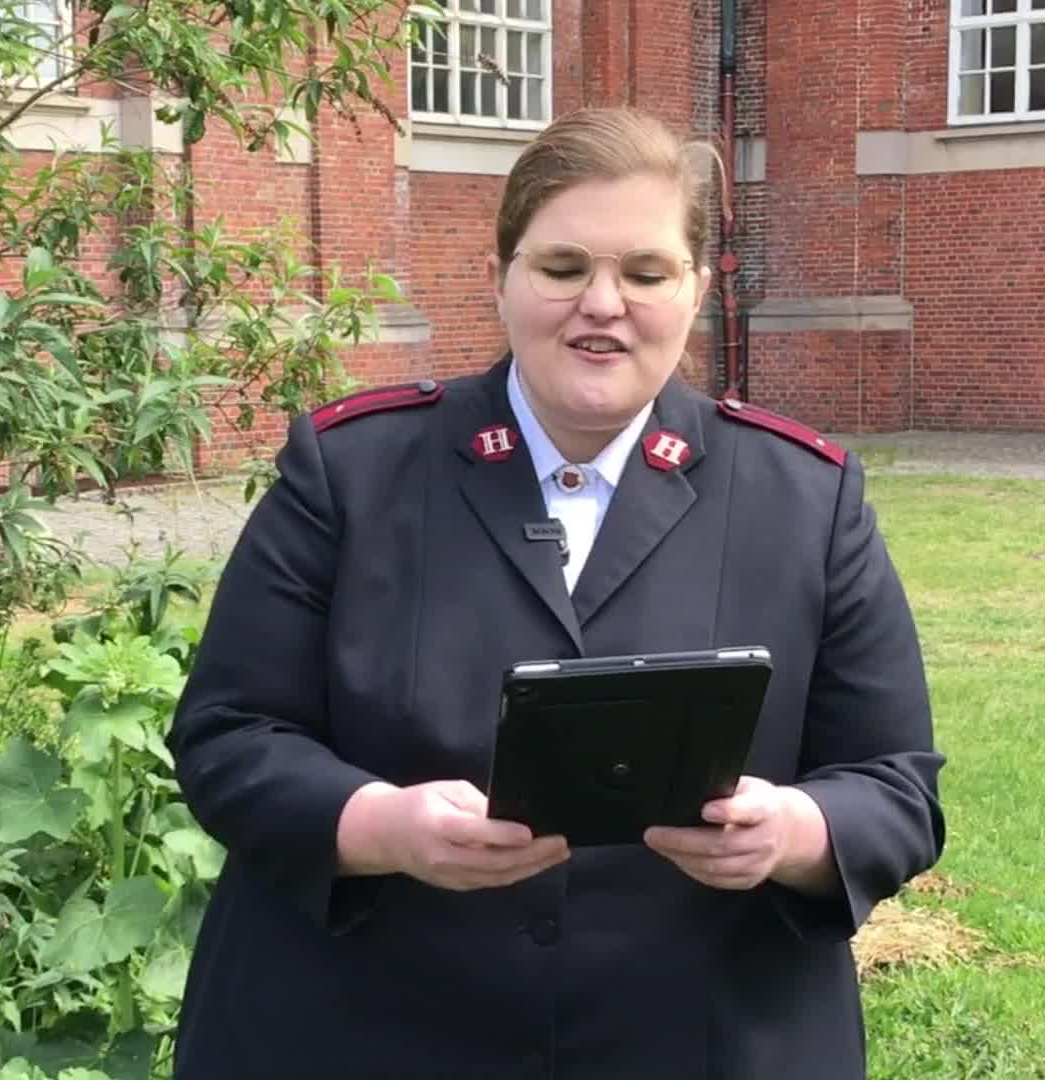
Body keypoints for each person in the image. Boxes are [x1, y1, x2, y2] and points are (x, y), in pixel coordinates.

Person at [164, 107, 946, 1079]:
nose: (602, 304)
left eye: (646, 273)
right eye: (563, 267)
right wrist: (381, 827)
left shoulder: (806, 500)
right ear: (500, 278)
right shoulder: (351, 473)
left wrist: (794, 834)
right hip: (368, 1026)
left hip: (699, 1039)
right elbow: (229, 734)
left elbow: (895, 785)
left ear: (697, 289)